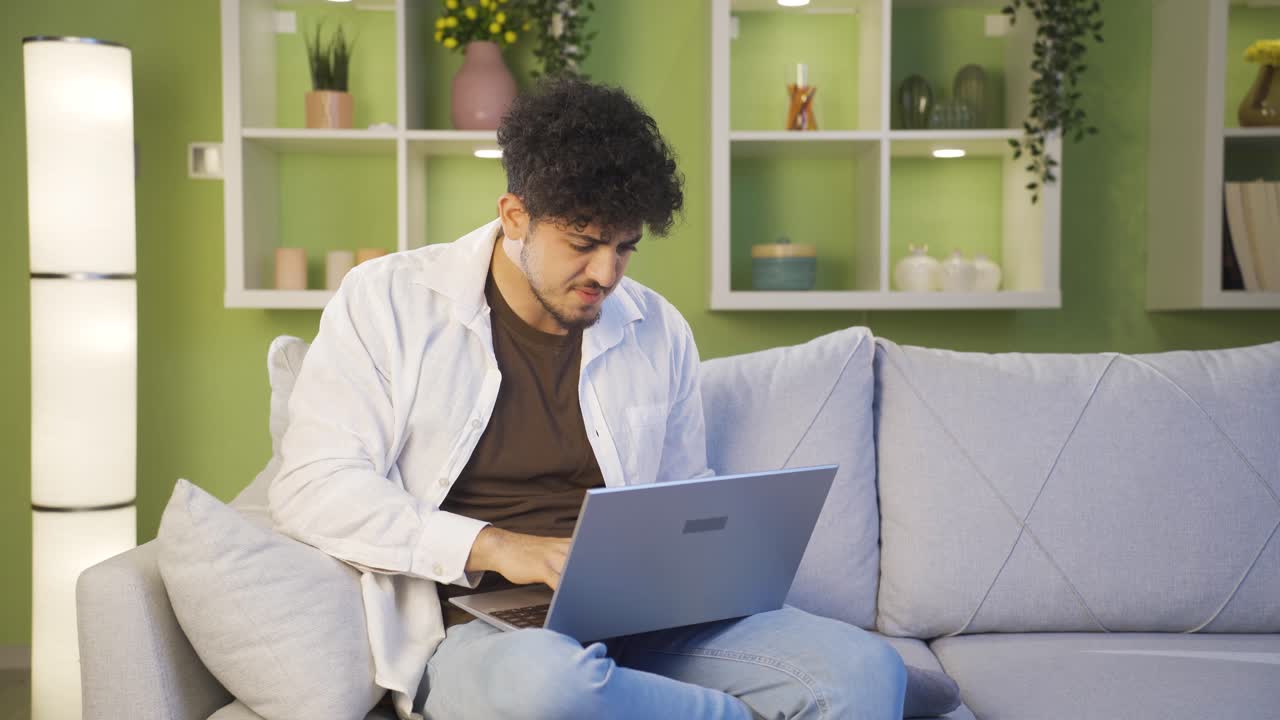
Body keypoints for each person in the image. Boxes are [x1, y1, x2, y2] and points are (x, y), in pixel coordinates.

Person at [270, 76, 906, 720]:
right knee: (551, 689)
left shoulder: (658, 329)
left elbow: (681, 491)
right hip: (484, 633)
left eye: (624, 247)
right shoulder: (388, 301)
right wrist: (500, 546)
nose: (606, 274)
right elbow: (313, 487)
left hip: (639, 617)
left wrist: (709, 557)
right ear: (514, 216)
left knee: (865, 669)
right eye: (583, 244)